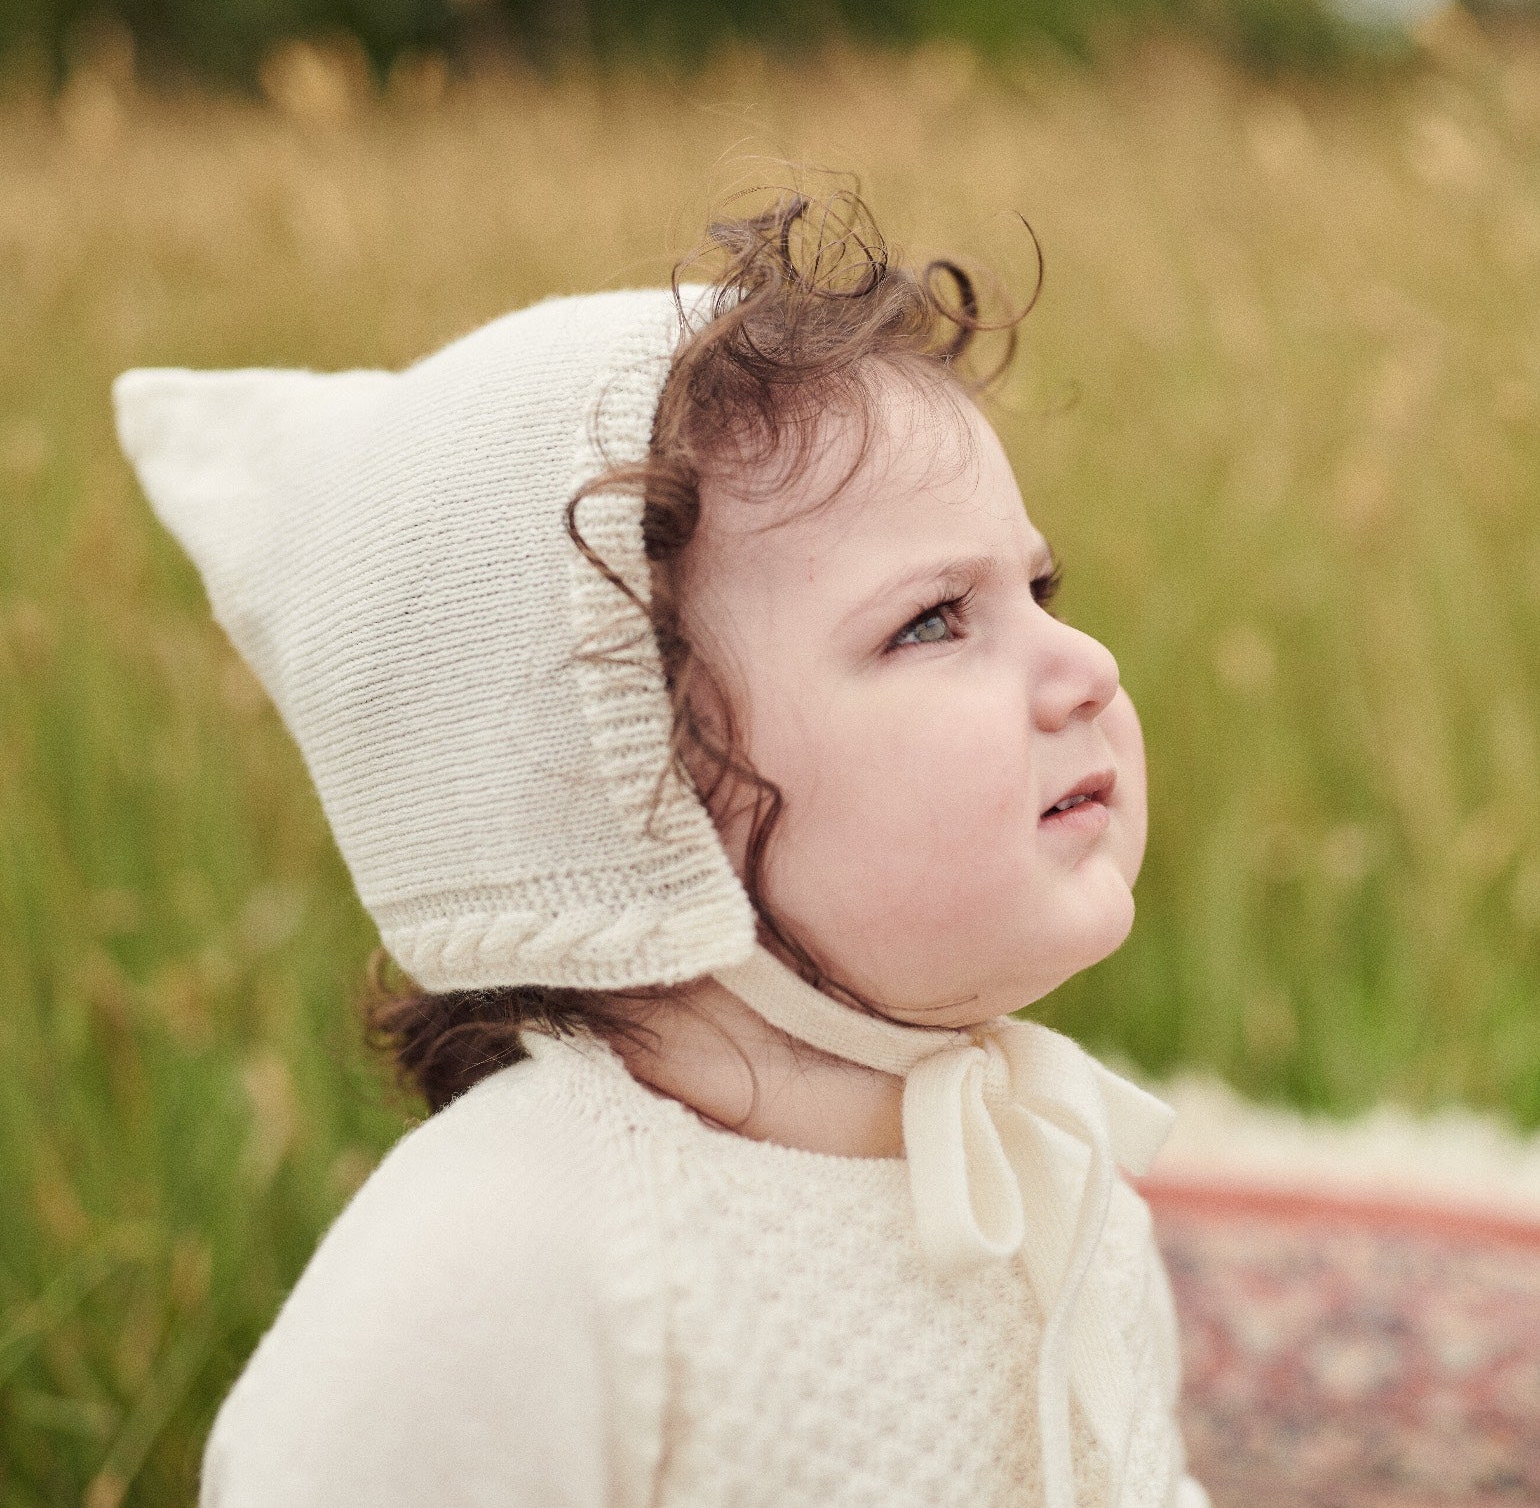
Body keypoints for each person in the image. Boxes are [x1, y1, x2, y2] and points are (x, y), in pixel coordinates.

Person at [114, 186, 1209, 1508]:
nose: (1085, 665)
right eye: (931, 621)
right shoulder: (519, 1264)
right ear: (623, 781)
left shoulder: (1053, 1171)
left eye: (1036, 590)